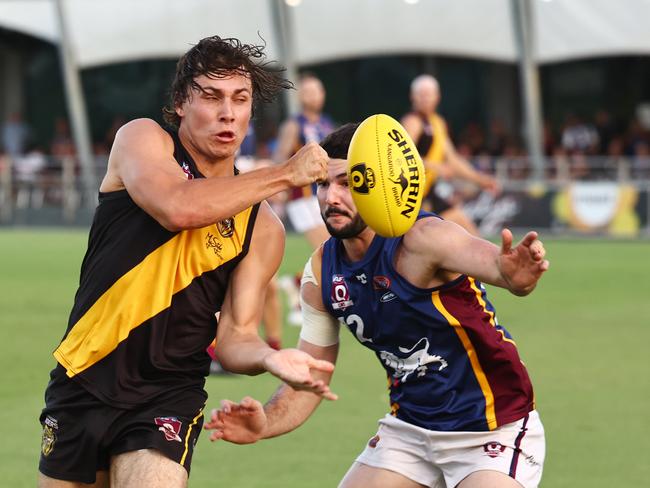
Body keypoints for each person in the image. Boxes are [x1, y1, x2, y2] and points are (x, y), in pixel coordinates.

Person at [37, 35, 336, 488]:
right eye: (211, 97)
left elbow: (234, 338)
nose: (227, 113)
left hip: (167, 395)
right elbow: (177, 207)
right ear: (180, 102)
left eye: (240, 99)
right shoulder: (143, 140)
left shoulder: (264, 228)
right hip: (83, 377)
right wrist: (283, 174)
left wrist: (269, 358)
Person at [206, 123, 549, 488]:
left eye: (349, 184)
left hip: (493, 430)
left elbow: (495, 265)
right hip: (410, 433)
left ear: (381, 185)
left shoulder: (422, 239)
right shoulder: (323, 272)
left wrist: (513, 273)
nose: (331, 197)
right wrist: (266, 422)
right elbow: (313, 374)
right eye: (323, 184)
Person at [402, 75, 499, 236]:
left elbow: (453, 160)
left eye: (429, 94)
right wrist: (435, 166)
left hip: (428, 191)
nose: (425, 99)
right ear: (413, 97)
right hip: (411, 194)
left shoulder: (437, 123)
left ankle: (486, 260)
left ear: (437, 97)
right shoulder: (412, 122)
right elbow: (403, 157)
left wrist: (481, 180)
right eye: (421, 94)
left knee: (466, 227)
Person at [273, 72, 334, 249]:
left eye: (317, 91)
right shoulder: (294, 124)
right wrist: (279, 190)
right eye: (308, 92)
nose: (314, 96)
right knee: (325, 248)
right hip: (302, 196)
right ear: (300, 96)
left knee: (335, 247)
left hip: (325, 192)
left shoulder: (326, 123)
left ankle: (303, 277)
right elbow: (280, 157)